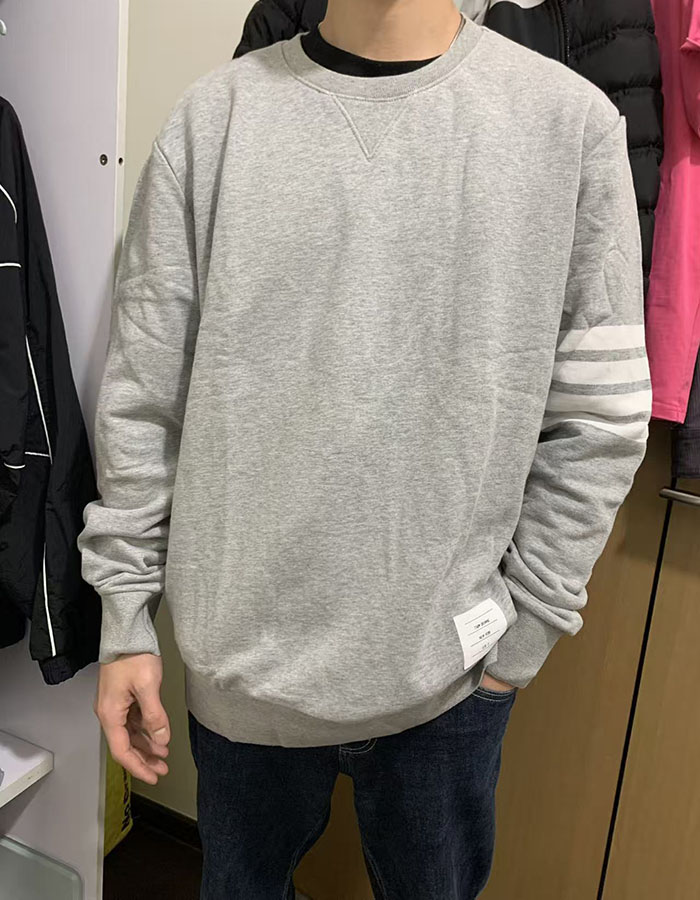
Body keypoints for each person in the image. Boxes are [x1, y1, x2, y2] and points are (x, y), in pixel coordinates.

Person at [77, 1, 651, 897]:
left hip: (453, 681)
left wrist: (521, 638)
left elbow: (601, 417)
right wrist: (125, 619)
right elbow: (144, 399)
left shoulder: (568, 126)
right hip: (241, 675)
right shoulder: (213, 120)